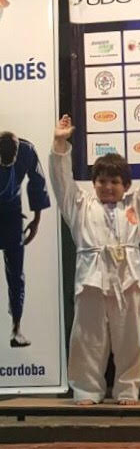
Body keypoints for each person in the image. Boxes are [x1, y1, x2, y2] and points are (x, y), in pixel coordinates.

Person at [49, 114, 140, 405]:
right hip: (91, 279)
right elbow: (61, 183)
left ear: (125, 185)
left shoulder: (136, 206)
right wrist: (59, 145)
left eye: (114, 182)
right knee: (87, 338)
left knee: (129, 338)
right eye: (102, 181)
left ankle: (127, 389)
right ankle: (86, 389)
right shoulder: (80, 205)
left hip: (127, 278)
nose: (107, 186)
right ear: (93, 183)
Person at [0, 131, 50, 348]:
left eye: (10, 161)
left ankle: (16, 329)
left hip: (12, 215)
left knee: (16, 274)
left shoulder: (27, 151)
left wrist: (36, 220)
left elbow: (37, 182)